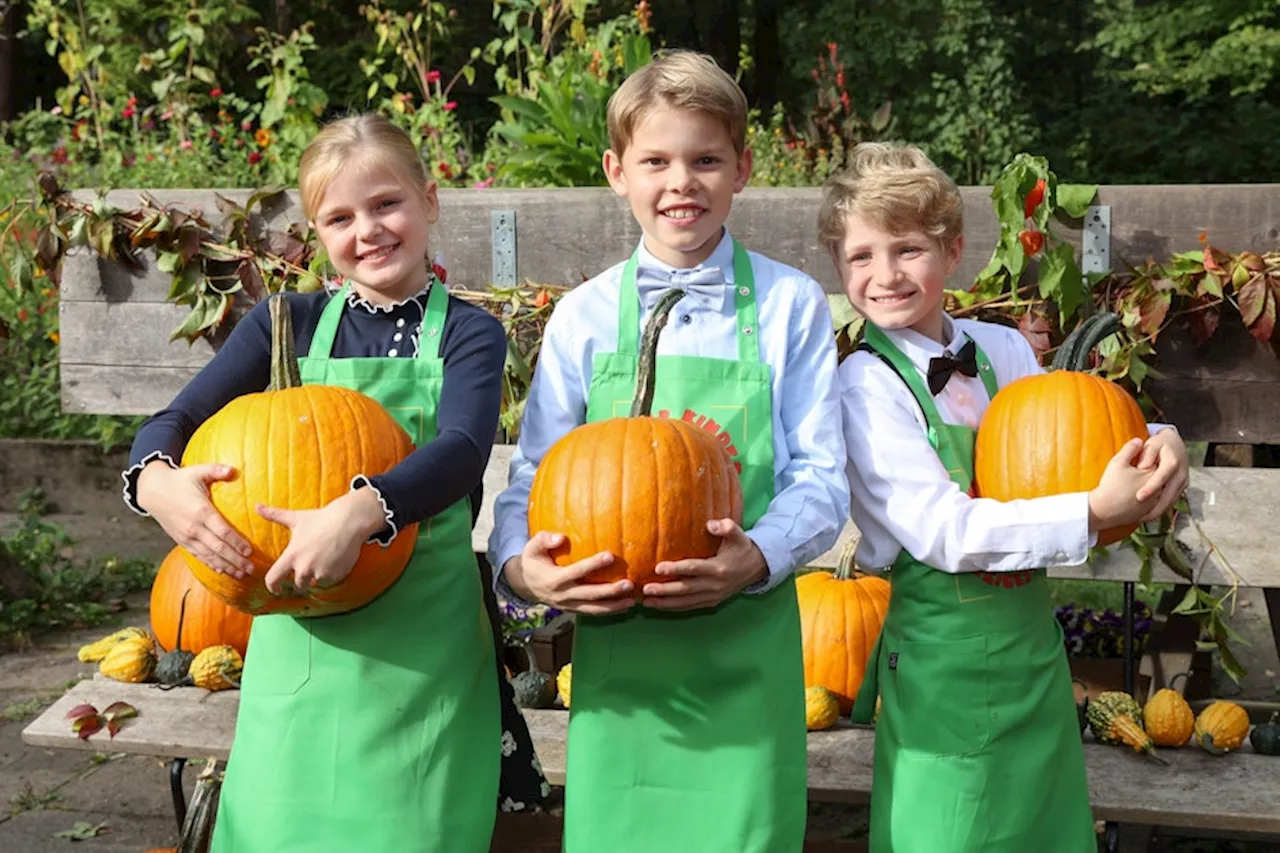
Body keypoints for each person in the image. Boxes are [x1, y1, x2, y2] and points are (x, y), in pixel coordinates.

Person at [121, 113, 547, 851]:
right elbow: (175, 418)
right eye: (340, 217)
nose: (369, 230)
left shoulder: (467, 333)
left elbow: (460, 447)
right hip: (298, 645)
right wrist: (155, 482)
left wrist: (362, 508)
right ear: (317, 232)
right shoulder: (284, 323)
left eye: (387, 204)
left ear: (429, 200)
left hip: (424, 651)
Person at [488, 50, 849, 852]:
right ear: (618, 171)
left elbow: (823, 479)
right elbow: (534, 477)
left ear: (743, 168)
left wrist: (755, 556)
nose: (680, 181)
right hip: (622, 673)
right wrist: (522, 567)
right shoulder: (583, 316)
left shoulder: (791, 305)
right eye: (656, 160)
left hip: (745, 660)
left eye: (705, 158)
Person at [822, 142, 1190, 853]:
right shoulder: (864, 387)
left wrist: (1161, 439)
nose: (886, 274)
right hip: (943, 670)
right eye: (861, 256)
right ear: (838, 266)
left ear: (953, 250)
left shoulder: (1004, 351)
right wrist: (1091, 513)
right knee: (948, 834)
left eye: (907, 250)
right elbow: (943, 531)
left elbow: (1072, 429)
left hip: (1033, 659)